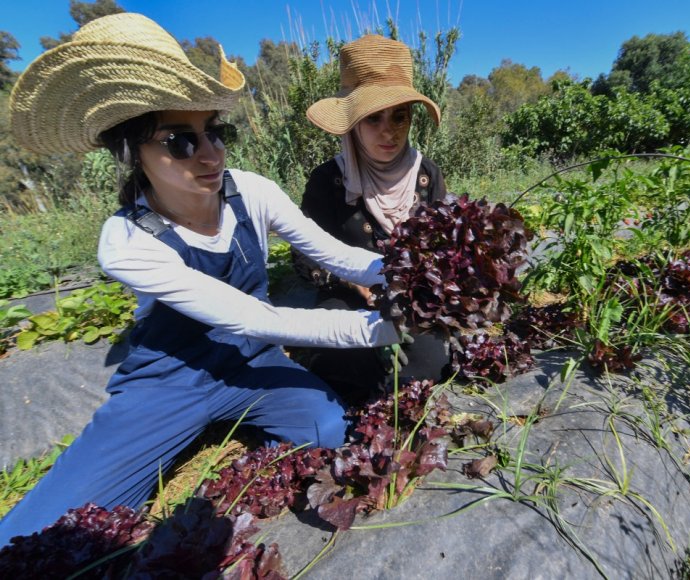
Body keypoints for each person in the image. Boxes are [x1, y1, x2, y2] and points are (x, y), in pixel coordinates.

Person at [0, 13, 403, 547]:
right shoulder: (127, 241)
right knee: (44, 531)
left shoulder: (251, 192)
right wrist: (382, 327)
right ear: (132, 150)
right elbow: (258, 316)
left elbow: (334, 254)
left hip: (253, 361)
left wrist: (412, 270)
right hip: (171, 377)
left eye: (215, 131)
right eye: (180, 141)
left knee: (326, 431)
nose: (210, 154)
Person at [297, 35, 450, 403]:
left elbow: (441, 247)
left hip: (411, 296)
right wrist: (354, 282)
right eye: (373, 118)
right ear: (353, 124)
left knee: (430, 365)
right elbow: (305, 257)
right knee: (339, 360)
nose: (389, 131)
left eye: (400, 116)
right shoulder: (327, 182)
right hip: (348, 296)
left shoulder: (427, 175)